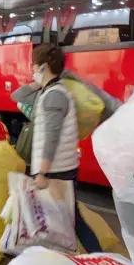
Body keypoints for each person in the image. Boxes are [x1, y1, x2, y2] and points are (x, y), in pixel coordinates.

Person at [13, 44, 118, 253]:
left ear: (44, 66)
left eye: (34, 65)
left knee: (66, 221)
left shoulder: (55, 96)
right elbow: (17, 96)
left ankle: (96, 257)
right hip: (58, 168)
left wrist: (42, 173)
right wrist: (37, 83)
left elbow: (51, 137)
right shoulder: (49, 91)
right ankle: (91, 256)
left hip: (57, 170)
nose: (32, 68)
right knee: (66, 220)